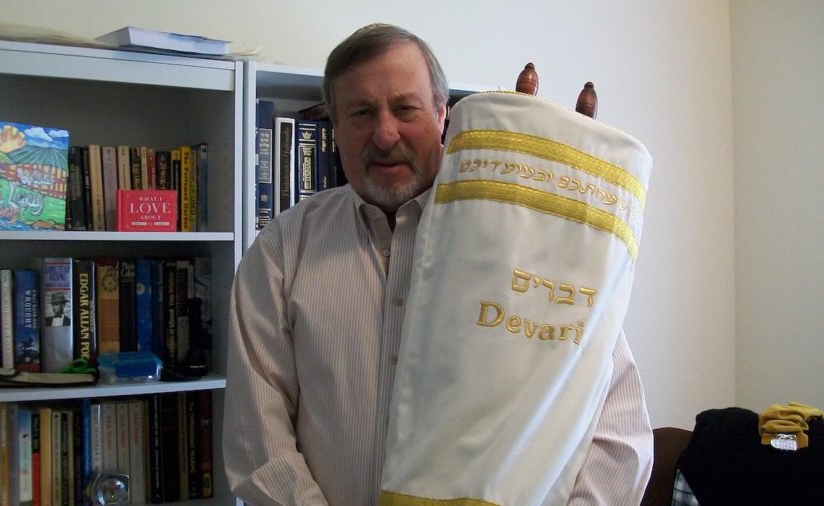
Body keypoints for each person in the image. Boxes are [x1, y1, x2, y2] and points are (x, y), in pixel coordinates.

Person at [223, 23, 653, 505]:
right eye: (362, 112)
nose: (385, 134)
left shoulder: (527, 241)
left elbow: (619, 437)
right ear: (333, 125)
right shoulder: (284, 249)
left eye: (405, 109)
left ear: (442, 114)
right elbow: (257, 439)